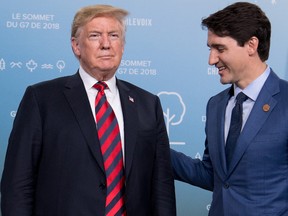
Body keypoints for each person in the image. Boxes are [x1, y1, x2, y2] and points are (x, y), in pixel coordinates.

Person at [1, 4, 176, 216]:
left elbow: (162, 189)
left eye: (114, 35)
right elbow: (17, 184)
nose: (106, 44)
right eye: (95, 35)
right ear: (76, 46)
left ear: (122, 45)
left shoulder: (148, 104)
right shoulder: (41, 99)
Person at [171, 2, 288, 216]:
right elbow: (213, 176)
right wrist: (154, 148)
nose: (211, 59)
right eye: (210, 49)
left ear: (251, 45)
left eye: (220, 48)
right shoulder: (216, 105)